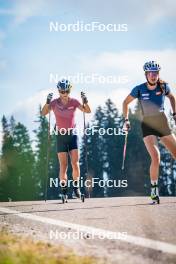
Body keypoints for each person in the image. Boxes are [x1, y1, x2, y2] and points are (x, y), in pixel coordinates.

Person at [123, 61, 176, 203]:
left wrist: (175, 113)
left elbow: (172, 97)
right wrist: (126, 120)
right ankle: (154, 190)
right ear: (146, 74)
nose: (154, 76)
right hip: (147, 124)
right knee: (156, 157)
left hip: (162, 122)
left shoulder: (164, 86)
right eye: (151, 73)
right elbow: (125, 103)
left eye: (156, 73)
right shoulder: (139, 89)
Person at [41, 79, 91, 199]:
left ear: (69, 91)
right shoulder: (54, 103)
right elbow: (43, 113)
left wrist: (85, 101)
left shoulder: (74, 102)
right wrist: (47, 102)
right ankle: (63, 190)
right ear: (59, 91)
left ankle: (76, 189)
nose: (65, 93)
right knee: (63, 165)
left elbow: (87, 111)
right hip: (60, 136)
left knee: (75, 163)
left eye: (67, 91)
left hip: (72, 135)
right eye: (62, 91)